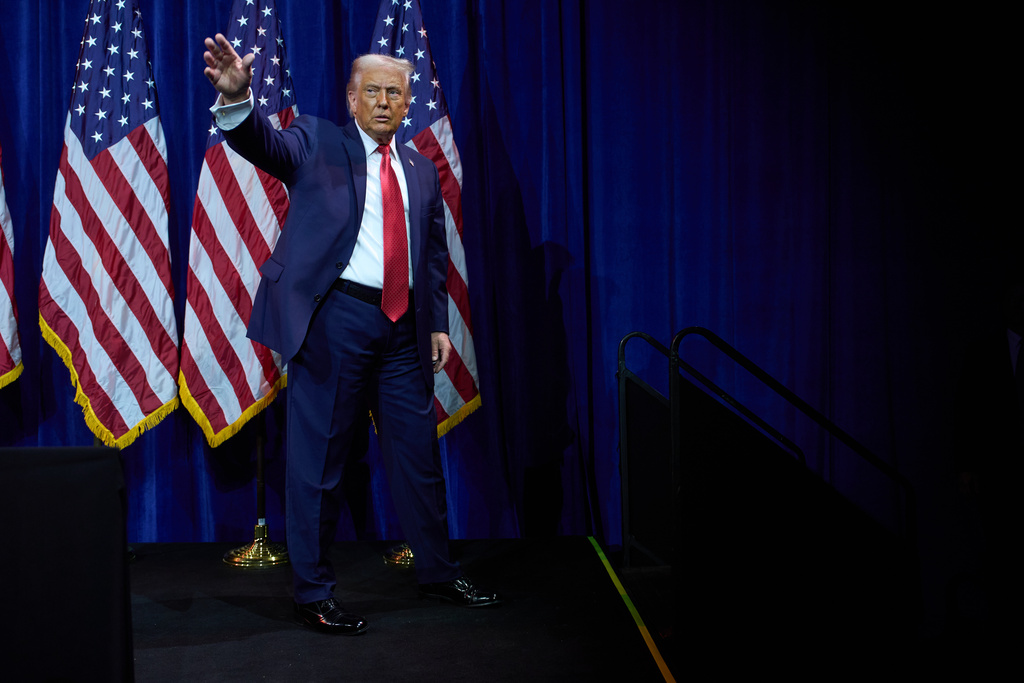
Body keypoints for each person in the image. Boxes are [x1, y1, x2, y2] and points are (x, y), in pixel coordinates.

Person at [202, 33, 500, 635]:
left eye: (395, 91)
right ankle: (313, 592)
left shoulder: (419, 168)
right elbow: (261, 142)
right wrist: (238, 101)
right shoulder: (315, 141)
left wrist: (437, 323)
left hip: (402, 330)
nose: (385, 101)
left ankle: (438, 573)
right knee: (319, 465)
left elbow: (433, 254)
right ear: (352, 98)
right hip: (334, 320)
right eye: (373, 92)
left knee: (418, 459)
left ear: (409, 100)